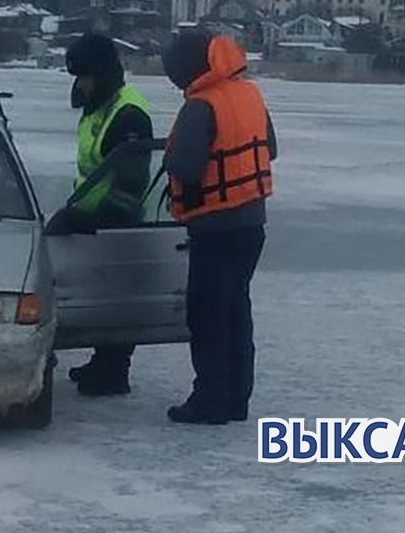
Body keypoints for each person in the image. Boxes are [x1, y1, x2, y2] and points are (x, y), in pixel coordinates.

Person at [162, 31, 276, 425]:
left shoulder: (200, 106)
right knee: (236, 310)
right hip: (252, 223)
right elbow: (270, 148)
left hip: (214, 225)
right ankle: (236, 398)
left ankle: (210, 399)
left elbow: (185, 167)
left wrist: (170, 154)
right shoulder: (250, 94)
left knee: (208, 314)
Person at [47, 33, 154, 397]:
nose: (80, 84)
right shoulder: (99, 107)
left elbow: (131, 180)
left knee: (116, 296)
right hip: (92, 215)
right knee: (100, 290)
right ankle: (103, 360)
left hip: (117, 220)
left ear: (102, 74)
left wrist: (97, 220)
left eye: (85, 76)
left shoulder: (127, 113)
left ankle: (114, 370)